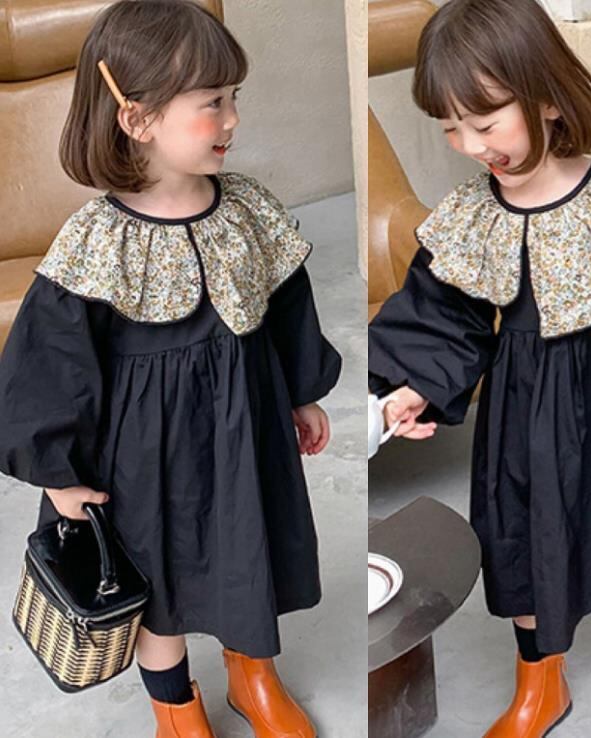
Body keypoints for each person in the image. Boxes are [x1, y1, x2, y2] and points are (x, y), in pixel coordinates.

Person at [368, 1, 591, 736]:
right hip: (523, 414)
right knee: (521, 543)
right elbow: (444, 317)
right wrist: (412, 386)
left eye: (485, 121)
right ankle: (540, 684)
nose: (471, 145)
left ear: (546, 97)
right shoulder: (471, 219)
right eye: (451, 127)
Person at [0, 2, 341, 736]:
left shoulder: (247, 207)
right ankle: (176, 710)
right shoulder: (96, 241)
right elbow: (49, 366)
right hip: (146, 459)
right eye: (212, 102)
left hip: (245, 429)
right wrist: (59, 476)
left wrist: (303, 393)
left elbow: (286, 302)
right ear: (138, 118)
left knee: (249, 554)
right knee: (160, 588)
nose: (232, 119)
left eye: (233, 97)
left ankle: (253, 677)